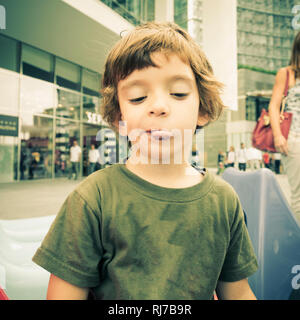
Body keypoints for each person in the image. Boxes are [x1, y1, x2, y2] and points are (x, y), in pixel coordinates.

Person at [32, 22, 258, 300]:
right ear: (120, 119)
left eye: (178, 93)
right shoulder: (93, 200)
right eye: (138, 97)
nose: (159, 106)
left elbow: (239, 293)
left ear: (203, 109)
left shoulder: (224, 201)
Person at [269, 31, 300, 223]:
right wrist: (278, 135)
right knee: (299, 194)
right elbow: (273, 105)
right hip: (294, 138)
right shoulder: (286, 73)